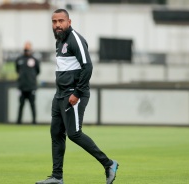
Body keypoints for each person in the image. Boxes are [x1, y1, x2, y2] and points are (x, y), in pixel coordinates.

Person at [36, 9, 119, 184]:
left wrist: (77, 93)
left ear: (69, 22)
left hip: (73, 94)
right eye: (54, 21)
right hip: (60, 95)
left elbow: (87, 67)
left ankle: (109, 164)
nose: (57, 25)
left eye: (61, 21)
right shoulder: (59, 41)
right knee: (56, 133)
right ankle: (57, 177)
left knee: (74, 134)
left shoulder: (76, 40)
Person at [15, 41, 40, 124]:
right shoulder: (19, 59)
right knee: (21, 105)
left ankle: (34, 122)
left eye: (28, 49)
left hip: (31, 87)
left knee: (32, 105)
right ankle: (19, 122)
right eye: (25, 49)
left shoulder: (34, 60)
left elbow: (38, 71)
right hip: (22, 87)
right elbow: (17, 70)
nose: (27, 51)